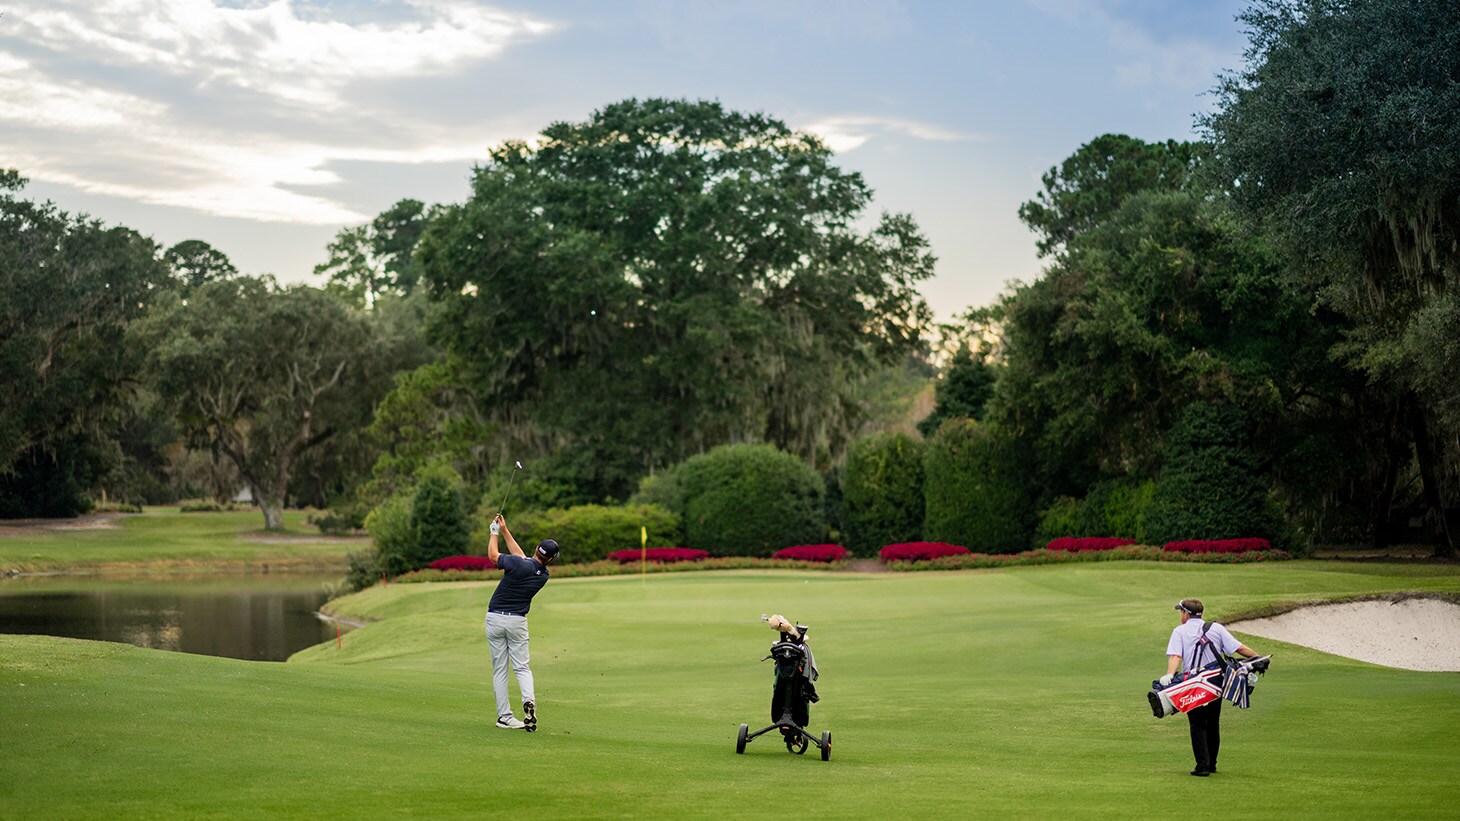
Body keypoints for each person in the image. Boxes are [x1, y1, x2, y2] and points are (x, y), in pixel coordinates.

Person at [1161, 598, 1262, 776]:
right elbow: (1239, 648)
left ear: (1185, 614)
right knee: (1213, 723)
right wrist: (1259, 658)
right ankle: (1212, 764)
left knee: (1197, 724)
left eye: (1181, 612)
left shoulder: (1180, 631)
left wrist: (1170, 674)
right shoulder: (1216, 628)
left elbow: (1176, 656)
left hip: (1194, 684)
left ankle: (1202, 766)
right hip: (1215, 683)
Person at [485, 513, 558, 731]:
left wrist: (494, 532)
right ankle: (529, 700)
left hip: (495, 618)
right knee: (522, 668)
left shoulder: (518, 564)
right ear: (551, 560)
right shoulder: (543, 575)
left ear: (536, 548)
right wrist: (506, 530)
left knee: (500, 670)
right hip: (517, 622)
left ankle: (504, 717)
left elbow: (492, 556)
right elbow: (522, 559)